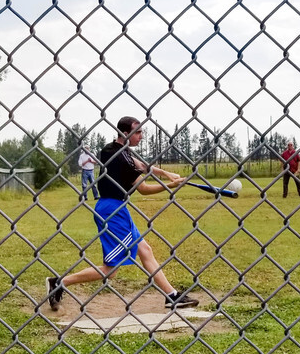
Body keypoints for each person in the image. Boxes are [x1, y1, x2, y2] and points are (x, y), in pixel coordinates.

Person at [46, 117, 198, 310]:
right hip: (112, 213)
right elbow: (143, 188)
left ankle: (172, 295)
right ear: (126, 134)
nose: (141, 136)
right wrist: (171, 186)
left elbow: (142, 166)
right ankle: (59, 283)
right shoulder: (122, 158)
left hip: (115, 208)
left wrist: (167, 174)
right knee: (111, 271)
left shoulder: (111, 149)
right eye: (138, 132)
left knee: (145, 251)